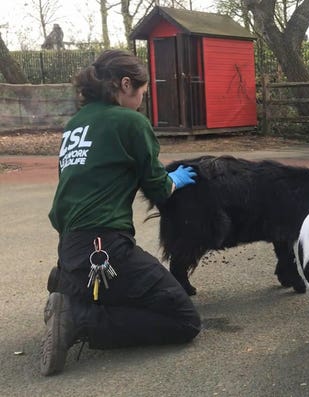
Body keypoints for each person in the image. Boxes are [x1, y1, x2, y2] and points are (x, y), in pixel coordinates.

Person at [41, 49, 201, 376]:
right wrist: (174, 180)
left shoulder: (75, 125)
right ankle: (79, 319)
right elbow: (158, 189)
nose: (142, 101)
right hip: (105, 247)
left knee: (126, 288)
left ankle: (69, 284)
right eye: (142, 93)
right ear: (125, 84)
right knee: (184, 319)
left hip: (70, 244)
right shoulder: (130, 122)